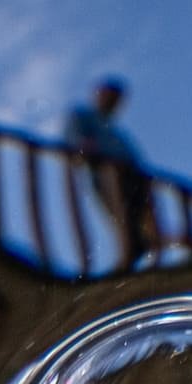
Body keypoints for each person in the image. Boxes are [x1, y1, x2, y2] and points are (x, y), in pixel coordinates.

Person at [63, 77, 154, 264]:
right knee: (122, 218)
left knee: (143, 221)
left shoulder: (115, 131)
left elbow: (133, 156)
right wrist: (85, 149)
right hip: (108, 175)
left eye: (116, 99)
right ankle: (128, 252)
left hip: (133, 176)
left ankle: (144, 245)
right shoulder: (83, 116)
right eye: (109, 96)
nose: (113, 102)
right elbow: (75, 141)